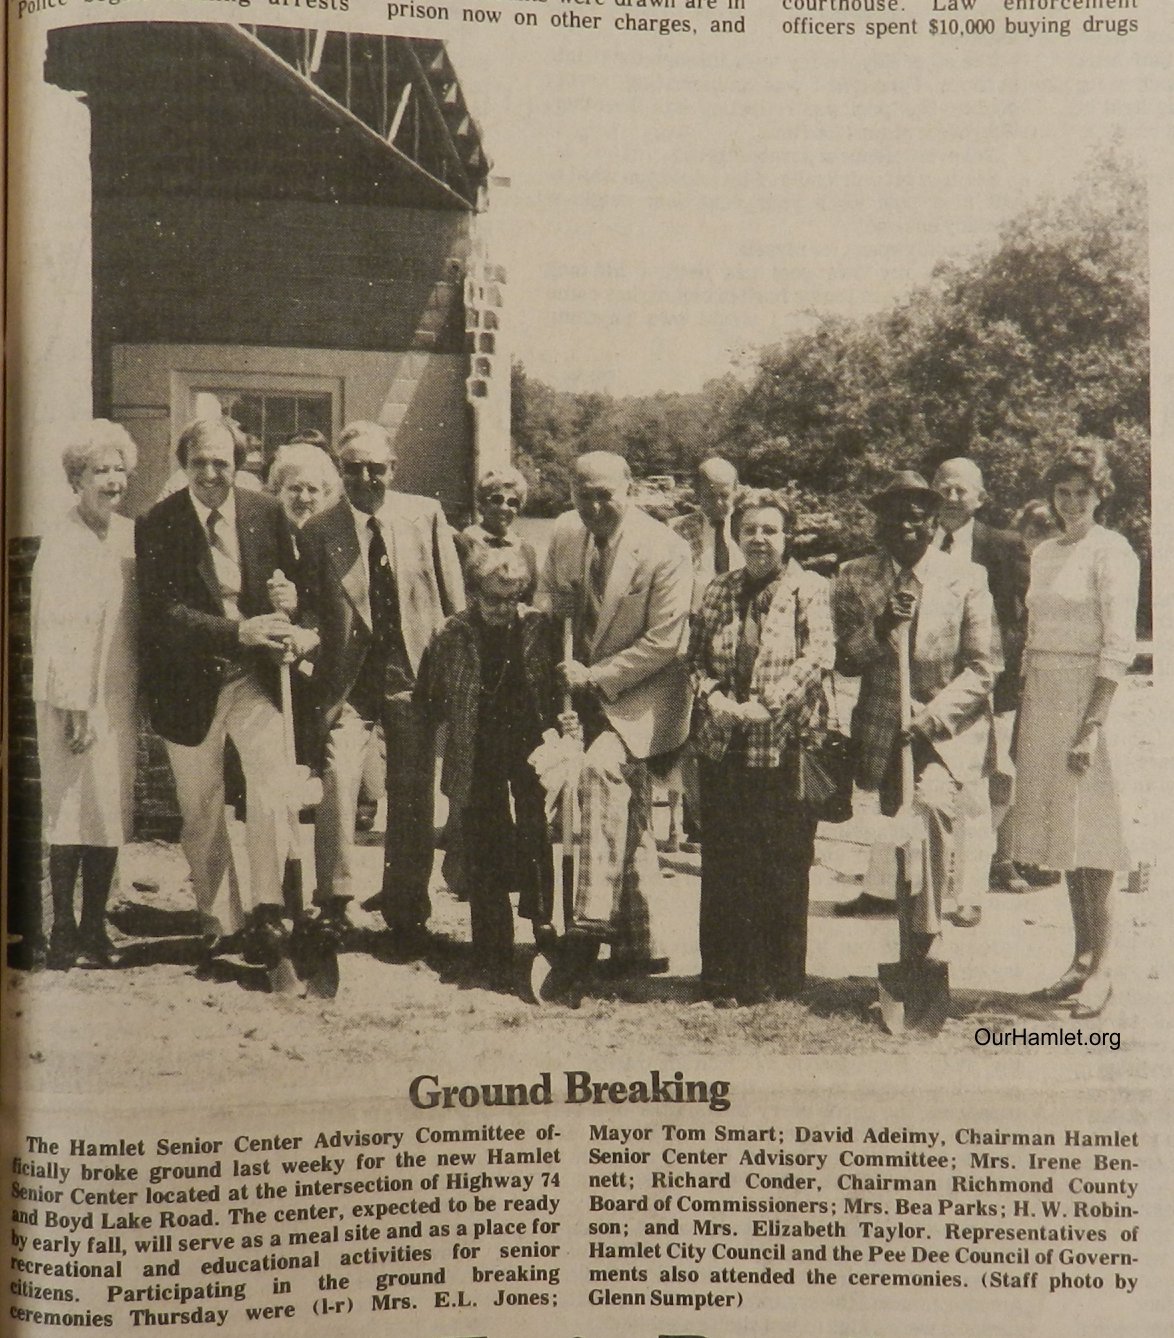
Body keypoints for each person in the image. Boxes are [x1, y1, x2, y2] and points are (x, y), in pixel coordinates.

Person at [295, 420, 465, 951]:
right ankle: (335, 900)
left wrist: (456, 672)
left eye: (376, 468)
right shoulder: (319, 531)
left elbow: (454, 603)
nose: (366, 478)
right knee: (338, 780)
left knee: (412, 793)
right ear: (340, 473)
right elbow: (309, 610)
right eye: (354, 469)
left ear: (393, 469)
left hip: (413, 676)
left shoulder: (426, 516)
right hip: (350, 684)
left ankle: (406, 904)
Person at [136, 416, 299, 953]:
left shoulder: (265, 513)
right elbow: (163, 614)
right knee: (202, 804)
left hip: (255, 680)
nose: (210, 473)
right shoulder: (159, 523)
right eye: (199, 462)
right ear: (184, 465)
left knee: (272, 788)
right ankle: (219, 918)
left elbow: (290, 589)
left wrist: (286, 602)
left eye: (221, 462)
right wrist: (239, 630)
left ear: (240, 464)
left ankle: (267, 909)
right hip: (188, 686)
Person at [536, 451, 692, 978]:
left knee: (600, 775)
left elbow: (665, 642)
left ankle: (589, 923)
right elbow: (551, 601)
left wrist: (596, 677)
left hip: (646, 694)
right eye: (585, 495)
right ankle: (640, 943)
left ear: (630, 488)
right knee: (626, 810)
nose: (597, 506)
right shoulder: (564, 532)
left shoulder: (666, 548)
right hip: (580, 694)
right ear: (572, 494)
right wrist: (554, 619)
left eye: (607, 494)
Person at [832, 471, 998, 945]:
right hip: (884, 731)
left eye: (917, 518)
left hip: (946, 731)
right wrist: (882, 626)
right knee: (904, 835)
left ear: (933, 524)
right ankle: (912, 943)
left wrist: (929, 718)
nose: (906, 528)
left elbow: (984, 668)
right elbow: (844, 660)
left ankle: (928, 935)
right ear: (879, 526)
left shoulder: (966, 578)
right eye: (894, 519)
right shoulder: (854, 576)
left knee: (930, 807)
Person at [688, 488, 834, 1005]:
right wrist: (713, 696)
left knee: (781, 862)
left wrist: (765, 705)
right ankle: (724, 975)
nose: (759, 540)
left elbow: (817, 657)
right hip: (723, 743)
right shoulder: (719, 589)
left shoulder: (808, 589)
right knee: (727, 861)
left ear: (786, 537)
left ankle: (776, 977)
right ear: (736, 534)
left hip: (783, 745)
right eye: (749, 529)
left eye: (770, 530)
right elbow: (696, 658)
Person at [1009, 442, 1138, 1019]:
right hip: (1044, 698)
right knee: (1066, 836)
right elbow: (1033, 633)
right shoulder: (1046, 552)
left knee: (1098, 839)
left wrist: (1091, 725)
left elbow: (1118, 644)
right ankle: (1080, 959)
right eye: (1062, 492)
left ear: (1099, 494)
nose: (1071, 503)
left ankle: (1105, 971)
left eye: (1082, 492)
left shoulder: (1113, 552)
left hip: (1090, 701)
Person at [415, 545, 558, 989]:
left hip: (531, 745)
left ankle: (543, 929)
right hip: (476, 747)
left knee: (536, 831)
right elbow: (429, 692)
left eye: (512, 597)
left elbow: (554, 688)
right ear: (474, 591)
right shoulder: (452, 632)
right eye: (493, 598)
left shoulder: (538, 627)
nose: (502, 608)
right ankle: (490, 942)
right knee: (483, 837)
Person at [31, 421, 140, 970]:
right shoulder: (63, 540)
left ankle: (96, 925)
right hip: (72, 701)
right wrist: (75, 706)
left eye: (119, 469)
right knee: (71, 811)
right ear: (77, 478)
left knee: (108, 810)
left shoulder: (127, 537)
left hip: (117, 695)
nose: (113, 480)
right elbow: (56, 629)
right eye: (100, 470)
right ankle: (63, 929)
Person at [931, 457, 1029, 918]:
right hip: (925, 685)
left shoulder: (1003, 546)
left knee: (976, 790)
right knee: (913, 786)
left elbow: (1019, 618)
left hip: (984, 686)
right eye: (943, 488)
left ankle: (968, 894)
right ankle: (888, 887)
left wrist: (994, 675)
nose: (951, 497)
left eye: (961, 490)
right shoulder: (912, 537)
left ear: (981, 499)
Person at [668, 457, 744, 848]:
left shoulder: (750, 529)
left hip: (742, 642)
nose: (720, 503)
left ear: (737, 490)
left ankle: (731, 818)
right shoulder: (678, 533)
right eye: (711, 495)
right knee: (695, 732)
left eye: (726, 493)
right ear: (696, 495)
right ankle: (697, 822)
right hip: (692, 640)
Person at [456, 466, 539, 603]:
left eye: (512, 502)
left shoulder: (526, 550)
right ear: (482, 504)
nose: (504, 507)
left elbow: (530, 598)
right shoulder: (463, 542)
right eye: (497, 499)